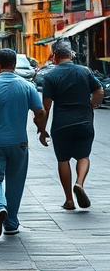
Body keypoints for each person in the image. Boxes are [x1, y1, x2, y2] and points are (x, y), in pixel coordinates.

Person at [0, 48, 47, 238]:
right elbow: (40, 112)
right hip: (19, 142)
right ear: (14, 64)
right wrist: (41, 129)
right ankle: (11, 222)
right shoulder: (27, 86)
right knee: (16, 182)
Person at [39, 39, 103, 210]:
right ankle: (80, 183)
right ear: (71, 55)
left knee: (63, 159)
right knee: (84, 156)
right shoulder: (84, 71)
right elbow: (99, 91)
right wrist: (92, 105)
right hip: (84, 122)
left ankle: (68, 199)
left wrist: (42, 130)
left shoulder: (51, 76)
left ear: (54, 56)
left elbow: (46, 106)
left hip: (61, 124)